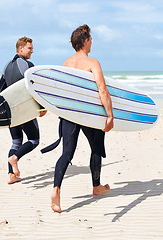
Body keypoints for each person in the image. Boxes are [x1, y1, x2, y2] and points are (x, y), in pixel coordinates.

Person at [43, 24, 114, 213]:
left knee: (67, 153)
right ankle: (96, 186)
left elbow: (60, 91)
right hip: (89, 114)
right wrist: (109, 115)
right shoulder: (92, 63)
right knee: (96, 148)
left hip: (70, 114)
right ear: (85, 41)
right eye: (90, 39)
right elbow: (102, 89)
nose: (92, 43)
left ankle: (56, 189)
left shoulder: (66, 63)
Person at [0, 37, 47, 184]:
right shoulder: (27, 65)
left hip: (11, 112)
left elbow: (1, 89)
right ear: (21, 49)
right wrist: (41, 107)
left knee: (16, 142)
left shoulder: (6, 66)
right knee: (34, 140)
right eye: (29, 48)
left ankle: (11, 175)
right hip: (25, 111)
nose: (32, 51)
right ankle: (15, 158)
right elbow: (34, 88)